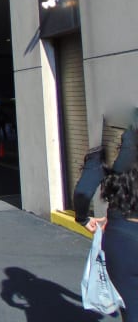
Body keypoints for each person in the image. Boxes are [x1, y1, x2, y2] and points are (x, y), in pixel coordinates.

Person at [74, 119, 138, 319]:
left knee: (132, 308)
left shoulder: (113, 142)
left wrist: (83, 219)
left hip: (123, 236)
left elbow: (83, 192)